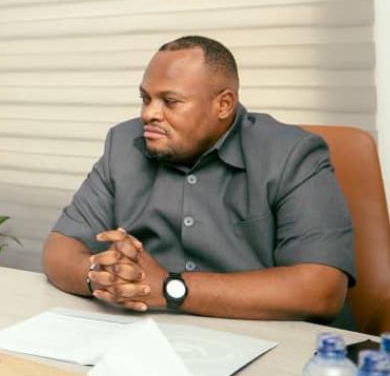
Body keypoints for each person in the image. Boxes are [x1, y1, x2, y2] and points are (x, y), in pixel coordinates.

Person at [42, 36, 355, 325]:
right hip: (155, 337)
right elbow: (60, 248)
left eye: (170, 101)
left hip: (266, 339)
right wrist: (99, 276)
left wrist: (168, 288)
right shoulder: (123, 144)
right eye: (145, 98)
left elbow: (322, 289)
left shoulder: (291, 154)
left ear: (224, 104)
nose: (149, 113)